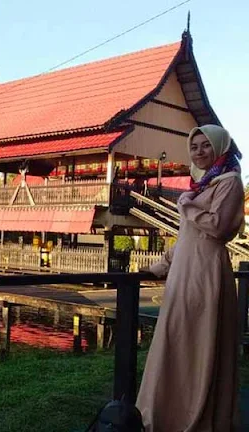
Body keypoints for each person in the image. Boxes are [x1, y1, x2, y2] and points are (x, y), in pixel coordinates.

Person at [136, 124, 245, 431]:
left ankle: (195, 416)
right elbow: (185, 237)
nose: (199, 151)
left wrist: (187, 206)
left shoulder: (230, 182)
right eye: (194, 146)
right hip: (183, 272)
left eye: (206, 145)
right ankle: (166, 413)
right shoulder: (201, 185)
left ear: (220, 147)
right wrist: (158, 267)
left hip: (205, 271)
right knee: (176, 341)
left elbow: (220, 227)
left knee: (199, 343)